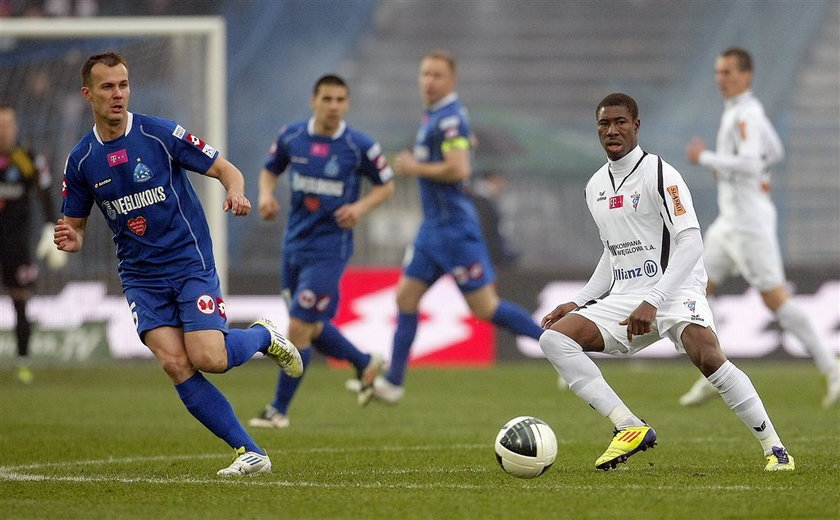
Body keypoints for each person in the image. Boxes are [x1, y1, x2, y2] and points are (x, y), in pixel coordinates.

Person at [53, 52, 303, 476]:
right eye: (108, 87)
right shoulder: (81, 160)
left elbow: (227, 169)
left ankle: (262, 336)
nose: (118, 94)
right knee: (174, 362)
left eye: (123, 85)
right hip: (139, 277)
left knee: (211, 358)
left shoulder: (160, 133)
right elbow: (74, 228)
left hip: (189, 262)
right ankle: (250, 452)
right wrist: (69, 239)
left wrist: (237, 193)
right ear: (87, 94)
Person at [539, 93, 794, 472]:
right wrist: (579, 301)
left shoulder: (660, 173)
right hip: (629, 296)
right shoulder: (595, 187)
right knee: (554, 339)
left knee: (707, 356)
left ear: (636, 126)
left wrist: (655, 299)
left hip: (675, 288)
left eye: (620, 122)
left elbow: (691, 240)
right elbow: (612, 255)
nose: (612, 130)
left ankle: (775, 448)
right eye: (604, 124)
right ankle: (628, 426)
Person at [364, 50, 546, 405]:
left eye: (437, 75)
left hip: (456, 231)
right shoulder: (436, 117)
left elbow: (459, 169)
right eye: (425, 74)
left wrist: (416, 167)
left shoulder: (449, 118)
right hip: (432, 229)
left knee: (485, 308)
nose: (429, 81)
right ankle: (394, 383)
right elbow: (462, 152)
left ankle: (559, 347)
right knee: (406, 297)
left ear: (452, 80)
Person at [682, 47, 839, 408]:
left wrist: (705, 158)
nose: (721, 79)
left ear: (746, 75)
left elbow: (751, 164)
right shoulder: (741, 112)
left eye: (728, 72)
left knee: (776, 301)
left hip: (750, 224)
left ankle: (831, 366)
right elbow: (775, 152)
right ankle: (715, 369)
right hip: (729, 221)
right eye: (718, 72)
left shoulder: (746, 115)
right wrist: (755, 172)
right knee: (697, 289)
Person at [248, 74, 395, 428]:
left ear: (347, 104)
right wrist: (266, 196)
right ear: (314, 100)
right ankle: (364, 362)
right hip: (294, 244)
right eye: (327, 99)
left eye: (340, 100)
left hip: (330, 248)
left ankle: (278, 410)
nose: (334, 106)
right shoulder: (292, 136)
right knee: (312, 328)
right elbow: (270, 171)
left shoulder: (358, 145)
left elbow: (386, 185)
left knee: (298, 328)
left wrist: (360, 209)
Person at [0, 104, 67, 384]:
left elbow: (44, 192)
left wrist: (51, 226)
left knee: (20, 300)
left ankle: (24, 362)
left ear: (16, 127)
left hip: (16, 243)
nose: (3, 130)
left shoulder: (27, 158)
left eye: (7, 124)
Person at [468, 170, 519, 268]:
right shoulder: (480, 199)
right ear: (492, 179)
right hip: (487, 251)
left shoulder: (486, 200)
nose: (503, 185)